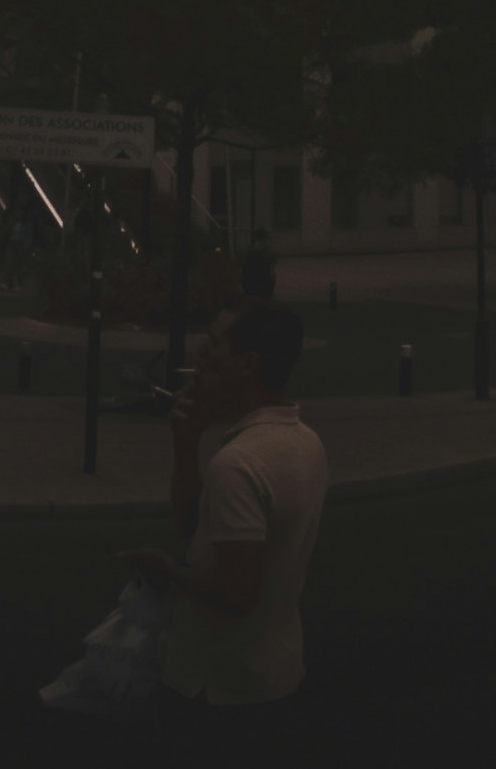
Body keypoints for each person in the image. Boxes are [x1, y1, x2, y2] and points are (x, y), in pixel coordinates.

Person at [129, 304, 327, 720]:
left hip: (217, 685)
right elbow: (198, 529)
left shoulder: (238, 463)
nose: (200, 359)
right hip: (275, 670)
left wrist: (166, 569)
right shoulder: (307, 442)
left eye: (213, 347)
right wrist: (187, 446)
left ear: (247, 364)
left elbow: (236, 592)